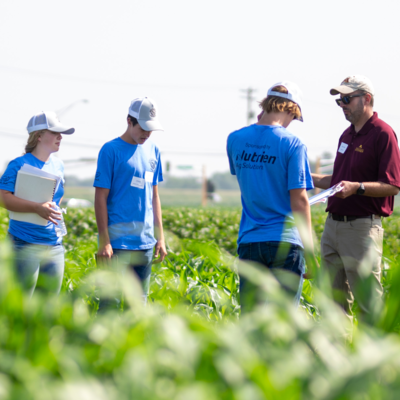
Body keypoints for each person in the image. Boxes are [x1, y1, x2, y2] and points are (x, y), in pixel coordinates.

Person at [312, 75, 400, 323]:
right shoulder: (346, 136)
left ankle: (376, 359)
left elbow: (392, 186)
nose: (343, 105)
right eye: (340, 101)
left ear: (367, 99)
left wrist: (357, 188)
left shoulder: (383, 134)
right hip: (333, 226)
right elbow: (339, 180)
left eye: (347, 99)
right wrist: (308, 178)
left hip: (361, 228)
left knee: (368, 303)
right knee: (332, 303)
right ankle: (335, 358)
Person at [227, 81, 317, 312]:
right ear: (290, 110)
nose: (291, 124)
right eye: (293, 119)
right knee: (285, 320)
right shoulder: (292, 144)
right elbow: (299, 200)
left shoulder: (235, 139)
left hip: (250, 240)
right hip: (286, 242)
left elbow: (252, 176)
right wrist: (311, 253)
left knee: (251, 318)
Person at [94, 97, 167, 309]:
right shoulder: (111, 150)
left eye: (150, 129)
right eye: (143, 128)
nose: (146, 134)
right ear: (129, 120)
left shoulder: (153, 150)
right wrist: (104, 241)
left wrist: (160, 237)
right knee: (110, 303)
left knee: (138, 307)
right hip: (117, 245)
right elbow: (100, 198)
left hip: (145, 244)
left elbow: (154, 196)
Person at [0, 111, 74, 296]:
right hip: (24, 244)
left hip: (54, 245)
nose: (60, 137)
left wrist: (50, 208)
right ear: (39, 136)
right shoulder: (17, 164)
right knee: (23, 308)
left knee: (48, 309)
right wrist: (35, 208)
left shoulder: (59, 166)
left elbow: (57, 196)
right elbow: (3, 197)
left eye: (61, 133)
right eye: (55, 132)